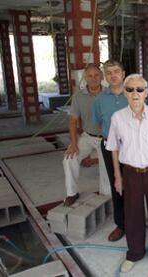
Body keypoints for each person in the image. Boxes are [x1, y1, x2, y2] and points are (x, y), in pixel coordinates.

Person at [106, 74, 148, 273]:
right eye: (129, 89)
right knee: (133, 215)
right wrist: (118, 177)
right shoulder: (117, 118)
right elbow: (113, 149)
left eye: (139, 89)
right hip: (130, 174)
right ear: (125, 93)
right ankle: (134, 252)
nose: (134, 93)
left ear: (146, 92)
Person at [62, 63, 109, 206]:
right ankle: (72, 193)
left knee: (107, 168)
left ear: (101, 76)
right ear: (85, 78)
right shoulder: (78, 96)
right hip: (88, 136)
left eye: (96, 75)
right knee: (69, 159)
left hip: (107, 138)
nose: (93, 78)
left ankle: (105, 196)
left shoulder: (110, 93)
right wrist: (74, 144)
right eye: (90, 76)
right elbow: (72, 121)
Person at [93, 60, 128, 242]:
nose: (113, 75)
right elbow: (100, 121)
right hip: (109, 146)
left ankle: (136, 221)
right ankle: (121, 224)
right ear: (105, 77)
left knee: (135, 185)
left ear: (123, 74)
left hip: (132, 147)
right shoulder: (100, 99)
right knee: (117, 185)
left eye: (116, 71)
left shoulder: (133, 94)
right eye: (109, 72)